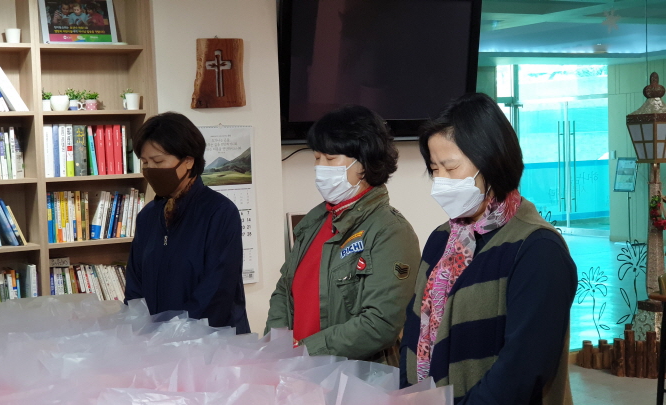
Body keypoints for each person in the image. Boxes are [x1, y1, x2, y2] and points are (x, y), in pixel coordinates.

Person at [399, 93, 576, 404]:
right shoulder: (441, 240)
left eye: (451, 168)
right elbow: (413, 330)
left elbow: (522, 370)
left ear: (491, 162)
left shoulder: (538, 249)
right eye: (434, 169)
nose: (440, 181)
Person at [265, 105, 420, 364]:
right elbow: (284, 289)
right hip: (298, 369)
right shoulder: (315, 221)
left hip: (351, 376)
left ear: (365, 163)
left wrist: (305, 351)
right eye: (317, 158)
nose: (320, 168)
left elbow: (380, 323)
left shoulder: (390, 231)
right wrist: (277, 342)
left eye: (330, 159)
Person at [125, 112, 250, 334]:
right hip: (156, 344)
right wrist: (140, 330)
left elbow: (217, 290)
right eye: (145, 162)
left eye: (158, 161)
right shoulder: (147, 216)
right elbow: (135, 286)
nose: (150, 169)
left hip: (210, 341)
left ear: (188, 161)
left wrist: (176, 334)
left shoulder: (220, 212)